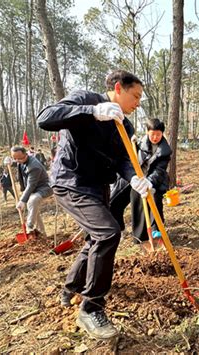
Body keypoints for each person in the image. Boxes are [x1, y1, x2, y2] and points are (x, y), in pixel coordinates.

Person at [37, 69, 150, 339]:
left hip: (99, 188)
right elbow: (45, 118)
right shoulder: (85, 99)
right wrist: (92, 111)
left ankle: (69, 289)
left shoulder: (126, 125)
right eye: (135, 96)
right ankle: (91, 306)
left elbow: (124, 159)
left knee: (95, 240)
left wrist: (135, 178)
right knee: (108, 233)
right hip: (71, 181)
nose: (137, 103)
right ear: (119, 89)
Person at [110, 118, 172, 244]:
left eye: (158, 134)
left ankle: (148, 235)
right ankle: (117, 230)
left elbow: (159, 171)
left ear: (162, 134)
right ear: (147, 132)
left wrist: (148, 182)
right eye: (152, 134)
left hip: (152, 180)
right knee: (114, 201)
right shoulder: (138, 144)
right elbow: (126, 159)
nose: (155, 137)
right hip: (133, 177)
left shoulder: (165, 151)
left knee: (151, 201)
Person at [10, 146, 53, 237]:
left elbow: (31, 185)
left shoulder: (34, 166)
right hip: (33, 189)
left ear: (26, 154)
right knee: (34, 210)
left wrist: (22, 200)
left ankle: (29, 226)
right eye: (15, 158)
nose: (17, 160)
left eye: (19, 158)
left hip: (44, 188)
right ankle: (42, 233)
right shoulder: (20, 160)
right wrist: (9, 162)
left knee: (32, 201)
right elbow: (19, 165)